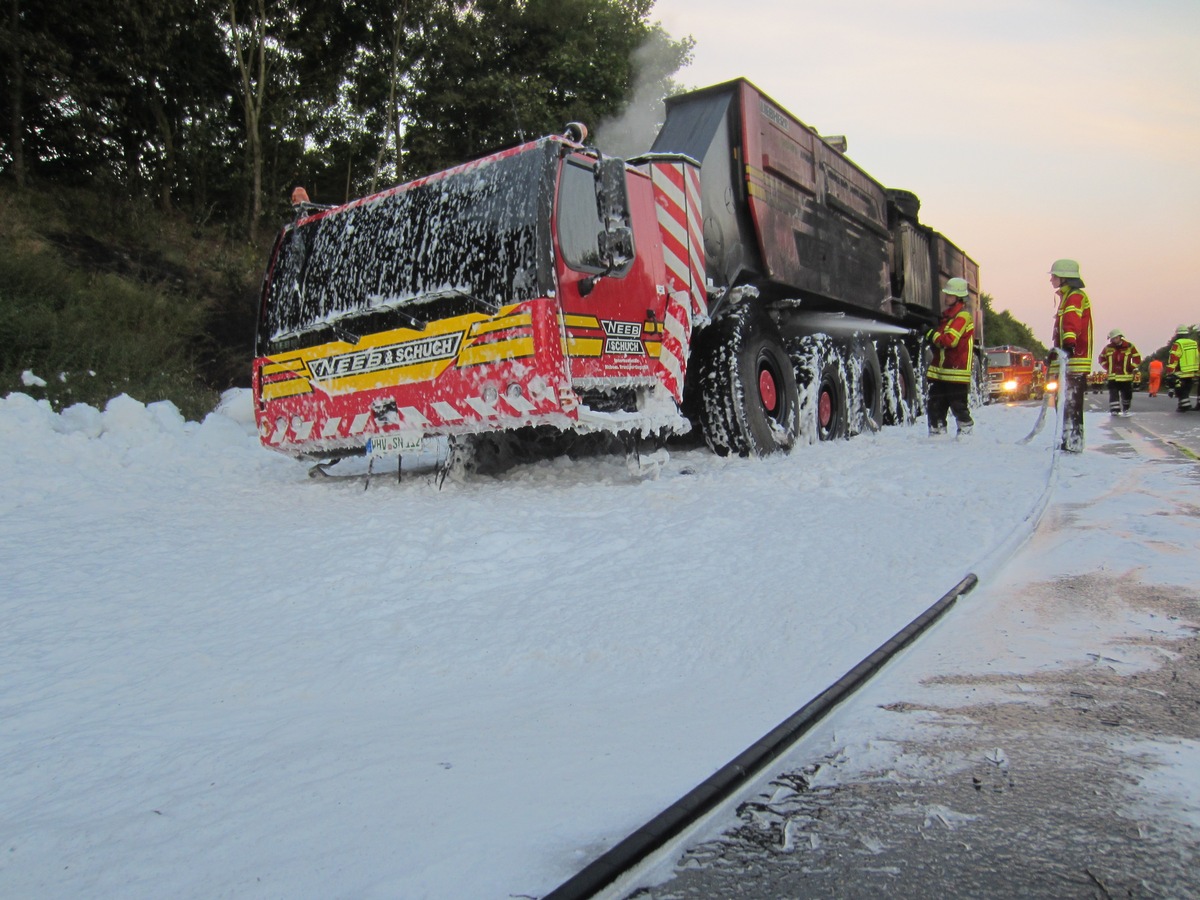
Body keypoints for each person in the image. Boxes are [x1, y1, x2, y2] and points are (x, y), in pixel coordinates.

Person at [1048, 258, 1093, 452]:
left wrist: (1068, 345)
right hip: (1068, 359)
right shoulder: (1068, 297)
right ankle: (1068, 441)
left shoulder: (1075, 297)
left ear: (1064, 278)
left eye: (1054, 276)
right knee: (1065, 403)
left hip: (1074, 360)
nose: (1051, 280)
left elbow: (1071, 323)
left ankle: (1072, 444)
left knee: (1071, 404)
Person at [925, 277, 975, 437]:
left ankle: (965, 432)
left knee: (957, 404)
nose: (945, 297)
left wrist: (931, 333)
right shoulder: (948, 318)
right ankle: (937, 433)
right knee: (935, 404)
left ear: (958, 297)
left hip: (955, 371)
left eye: (949, 294)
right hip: (942, 371)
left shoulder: (962, 317)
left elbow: (950, 341)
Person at [1099, 328, 1140, 416]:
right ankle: (1115, 410)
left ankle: (1126, 407)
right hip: (1112, 377)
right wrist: (1107, 367)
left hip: (1126, 376)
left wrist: (1131, 367)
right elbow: (1101, 358)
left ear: (1120, 337)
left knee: (1127, 394)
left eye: (1116, 338)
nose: (1114, 340)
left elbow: (1137, 358)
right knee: (1113, 393)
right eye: (1112, 339)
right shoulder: (1108, 348)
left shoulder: (1129, 346)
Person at [1166, 324, 1198, 412]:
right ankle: (1184, 404)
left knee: (1180, 389)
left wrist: (1170, 372)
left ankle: (1184, 406)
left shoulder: (1178, 344)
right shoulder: (1194, 343)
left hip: (1181, 371)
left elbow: (1173, 358)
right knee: (1187, 388)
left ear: (1178, 334)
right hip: (1191, 371)